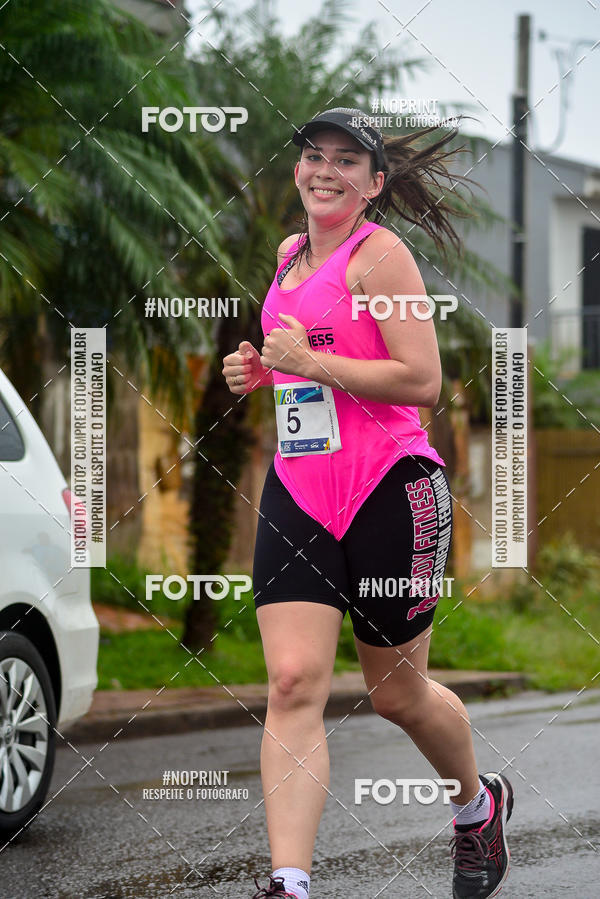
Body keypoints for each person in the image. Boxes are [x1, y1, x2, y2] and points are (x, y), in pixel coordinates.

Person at [222, 108, 513, 899]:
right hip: (301, 489)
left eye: (347, 161)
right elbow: (301, 360)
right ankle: (290, 881)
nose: (324, 169)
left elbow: (420, 380)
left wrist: (312, 363)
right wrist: (261, 370)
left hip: (392, 490)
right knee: (290, 681)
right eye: (314, 155)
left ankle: (476, 806)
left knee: (396, 693)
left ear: (374, 183)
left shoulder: (381, 255)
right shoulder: (287, 256)